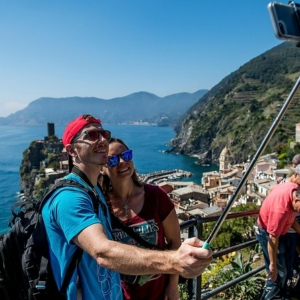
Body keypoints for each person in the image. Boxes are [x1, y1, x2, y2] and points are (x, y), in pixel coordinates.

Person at [42, 114, 213, 300]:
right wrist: (174, 261)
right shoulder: (69, 198)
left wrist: (172, 283)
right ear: (72, 150)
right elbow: (103, 252)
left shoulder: (94, 193)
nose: (101, 140)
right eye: (91, 135)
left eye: (103, 134)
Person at [98, 137, 181, 300]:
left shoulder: (156, 196)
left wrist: (172, 286)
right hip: (118, 295)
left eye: (126, 155)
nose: (122, 162)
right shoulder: (102, 206)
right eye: (113, 160)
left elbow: (175, 242)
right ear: (102, 168)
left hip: (158, 293)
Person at [256, 164, 300, 300]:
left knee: (285, 269)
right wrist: (272, 264)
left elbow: (291, 218)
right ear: (297, 200)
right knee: (277, 273)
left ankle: (281, 295)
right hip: (267, 233)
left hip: (279, 232)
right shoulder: (280, 210)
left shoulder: (293, 189)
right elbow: (272, 238)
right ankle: (268, 297)